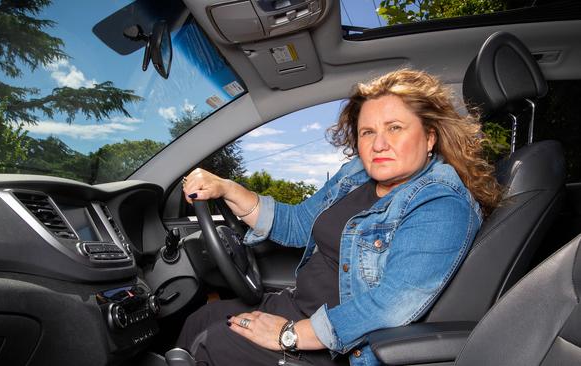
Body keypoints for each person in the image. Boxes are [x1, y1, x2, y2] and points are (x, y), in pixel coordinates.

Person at [177, 69, 502, 366]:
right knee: (200, 320)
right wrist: (227, 188)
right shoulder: (356, 175)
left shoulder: (441, 201)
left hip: (338, 347)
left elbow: (391, 304)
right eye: (367, 132)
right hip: (297, 307)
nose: (379, 144)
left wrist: (289, 335)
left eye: (395, 128)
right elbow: (299, 223)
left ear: (430, 137)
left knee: (213, 343)